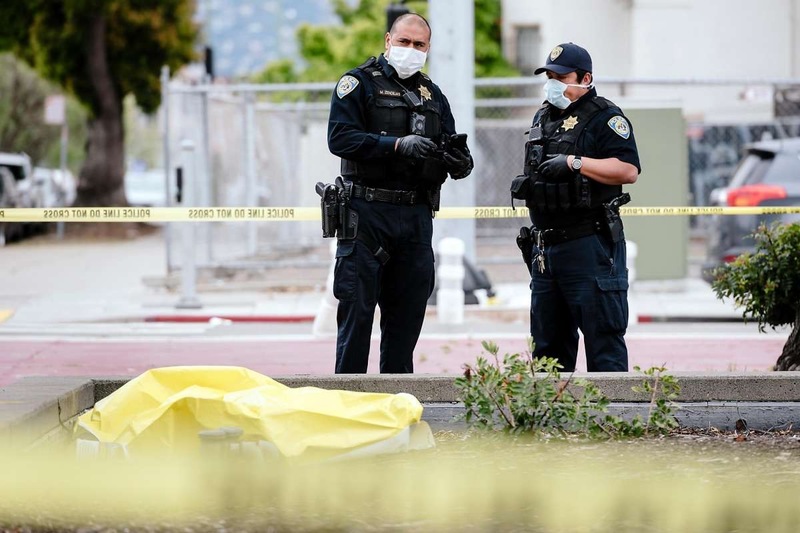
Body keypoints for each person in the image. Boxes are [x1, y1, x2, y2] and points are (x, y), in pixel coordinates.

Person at [326, 13, 473, 374]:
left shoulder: (433, 94)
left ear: (428, 48)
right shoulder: (358, 83)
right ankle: (350, 404)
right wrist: (396, 145)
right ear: (388, 41)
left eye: (419, 45)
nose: (411, 50)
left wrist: (459, 161)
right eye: (404, 42)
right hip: (366, 212)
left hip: (415, 217)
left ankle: (398, 403)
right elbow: (340, 138)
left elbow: (450, 147)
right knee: (357, 315)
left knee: (406, 317)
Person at [513, 42, 640, 372]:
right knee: (548, 349)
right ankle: (551, 423)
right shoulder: (544, 115)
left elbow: (628, 171)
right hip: (546, 248)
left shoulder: (605, 117)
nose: (552, 82)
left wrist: (575, 162)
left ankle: (611, 422)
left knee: (603, 342)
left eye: (560, 76)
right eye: (549, 75)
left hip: (589, 243)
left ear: (585, 78)